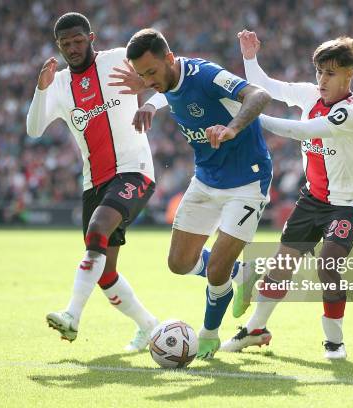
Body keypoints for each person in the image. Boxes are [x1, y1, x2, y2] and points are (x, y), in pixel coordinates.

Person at [111, 28, 272, 359]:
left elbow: (258, 95)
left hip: (247, 181)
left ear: (170, 59)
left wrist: (233, 128)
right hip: (206, 180)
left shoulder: (207, 75)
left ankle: (209, 333)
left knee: (216, 270)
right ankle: (243, 273)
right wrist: (150, 101)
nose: (148, 80)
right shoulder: (164, 80)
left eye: (151, 72)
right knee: (179, 263)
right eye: (142, 75)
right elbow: (166, 88)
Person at [220, 31, 353, 359]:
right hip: (314, 198)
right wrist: (250, 58)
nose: (322, 79)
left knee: (328, 263)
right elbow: (266, 87)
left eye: (330, 73)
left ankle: (334, 342)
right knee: (281, 266)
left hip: (347, 203)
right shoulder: (308, 95)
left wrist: (247, 117)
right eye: (319, 71)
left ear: (349, 74)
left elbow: (299, 131)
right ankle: (256, 329)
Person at [26, 12, 158, 351]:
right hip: (93, 182)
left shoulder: (118, 60)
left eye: (78, 41)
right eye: (65, 44)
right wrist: (41, 91)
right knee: (104, 271)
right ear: (58, 46)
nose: (72, 48)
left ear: (91, 38)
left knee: (97, 230)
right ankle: (149, 327)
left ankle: (72, 315)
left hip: (134, 169)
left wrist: (150, 100)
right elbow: (34, 129)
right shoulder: (57, 84)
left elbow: (167, 78)